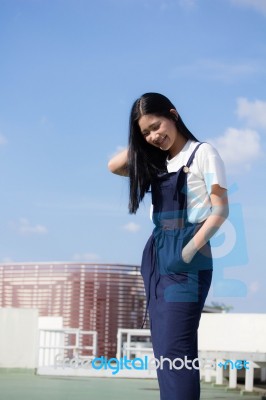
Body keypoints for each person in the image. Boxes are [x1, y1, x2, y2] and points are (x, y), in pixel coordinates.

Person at [108, 92, 228, 400]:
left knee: (177, 348)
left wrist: (187, 252)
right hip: (158, 253)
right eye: (145, 133)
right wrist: (140, 138)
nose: (153, 136)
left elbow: (221, 209)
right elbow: (114, 166)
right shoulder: (159, 161)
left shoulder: (203, 153)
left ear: (173, 114)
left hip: (188, 251)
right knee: (164, 349)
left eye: (156, 126)